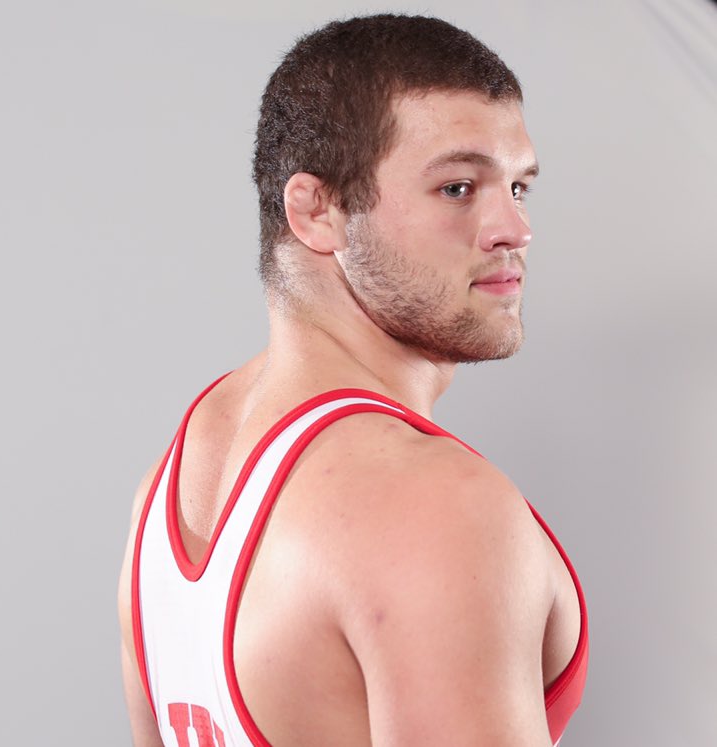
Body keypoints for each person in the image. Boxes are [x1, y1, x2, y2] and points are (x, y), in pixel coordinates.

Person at [118, 13, 588, 747]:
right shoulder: (433, 504)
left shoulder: (168, 487)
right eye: (458, 187)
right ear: (317, 211)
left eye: (519, 187)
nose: (514, 229)